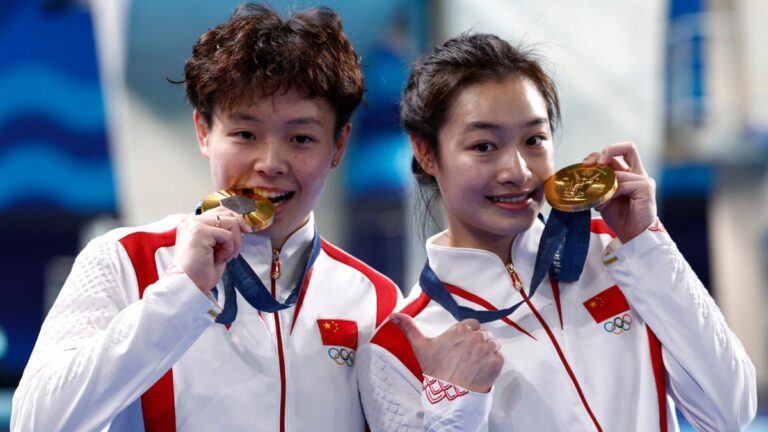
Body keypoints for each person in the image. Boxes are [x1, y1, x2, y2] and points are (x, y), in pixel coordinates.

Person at [12, 4, 401, 431]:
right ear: (204, 132)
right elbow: (36, 421)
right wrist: (180, 295)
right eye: (245, 134)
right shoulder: (124, 261)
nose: (271, 162)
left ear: (339, 146)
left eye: (301, 138)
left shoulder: (376, 300)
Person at [357, 33, 757, 431]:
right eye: (483, 146)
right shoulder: (403, 346)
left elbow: (731, 412)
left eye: (534, 140)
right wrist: (454, 405)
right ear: (426, 152)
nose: (518, 172)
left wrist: (648, 245)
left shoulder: (616, 251)